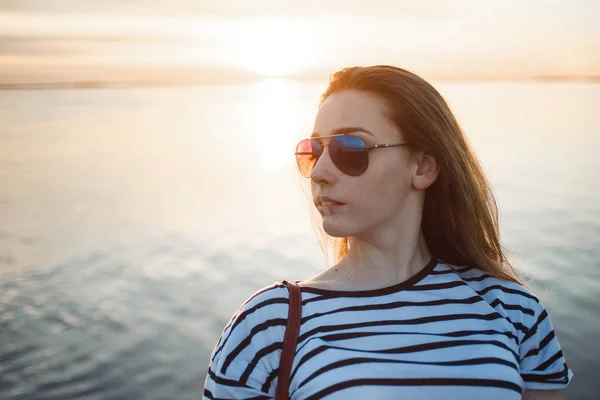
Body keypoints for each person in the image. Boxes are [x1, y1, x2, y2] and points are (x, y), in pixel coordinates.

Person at [202, 65, 573, 399]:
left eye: (351, 148)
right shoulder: (270, 324)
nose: (319, 172)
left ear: (423, 167)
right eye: (313, 150)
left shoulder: (512, 309)